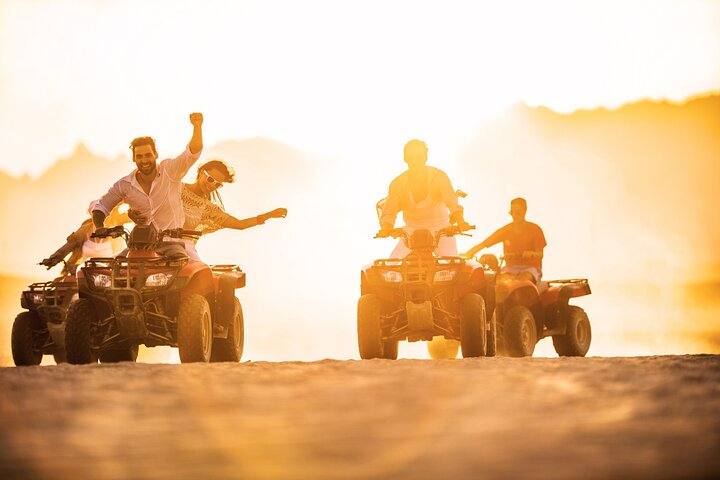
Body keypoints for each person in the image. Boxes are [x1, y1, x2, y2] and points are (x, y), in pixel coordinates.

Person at [91, 112, 204, 258]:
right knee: (113, 268)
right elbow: (101, 207)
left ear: (155, 155)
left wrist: (197, 127)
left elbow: (192, 153)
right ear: (133, 158)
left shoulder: (170, 170)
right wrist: (100, 227)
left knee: (194, 268)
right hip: (139, 246)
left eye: (147, 155)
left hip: (176, 243)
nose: (144, 160)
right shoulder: (124, 185)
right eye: (139, 156)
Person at [127, 159, 287, 261]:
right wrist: (132, 212)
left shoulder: (209, 209)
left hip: (184, 247)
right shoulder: (175, 188)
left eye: (217, 184)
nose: (211, 185)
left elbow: (240, 224)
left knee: (201, 275)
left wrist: (269, 214)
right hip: (151, 241)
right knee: (114, 266)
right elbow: (148, 202)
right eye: (210, 179)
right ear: (200, 172)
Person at [377, 139, 468, 257]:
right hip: (410, 234)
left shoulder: (438, 177)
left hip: (442, 231)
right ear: (405, 158)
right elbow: (389, 211)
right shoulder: (397, 183)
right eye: (411, 157)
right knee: (393, 265)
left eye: (419, 157)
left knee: (452, 266)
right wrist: (387, 227)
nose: (415, 161)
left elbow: (452, 202)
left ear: (425, 157)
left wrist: (461, 222)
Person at [464, 197, 546, 282]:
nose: (515, 215)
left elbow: (540, 254)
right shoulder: (506, 230)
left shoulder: (535, 229)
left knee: (523, 281)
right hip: (509, 269)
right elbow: (484, 244)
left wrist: (531, 254)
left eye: (518, 212)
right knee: (500, 282)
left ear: (525, 210)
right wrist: (467, 254)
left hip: (531, 268)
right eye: (513, 212)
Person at [40, 203, 131, 275]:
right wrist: (53, 259)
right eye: (99, 214)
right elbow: (67, 246)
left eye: (108, 214)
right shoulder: (84, 231)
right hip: (81, 272)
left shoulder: (117, 233)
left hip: (107, 275)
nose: (106, 217)